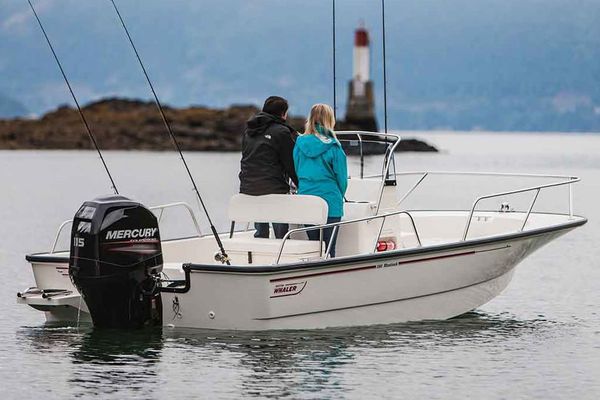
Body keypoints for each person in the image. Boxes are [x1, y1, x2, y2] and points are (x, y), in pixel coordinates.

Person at [239, 96, 299, 238]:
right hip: (273, 188)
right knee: (281, 233)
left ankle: (260, 246)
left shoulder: (249, 130)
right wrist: (301, 184)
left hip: (248, 187)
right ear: (283, 114)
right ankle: (283, 251)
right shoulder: (282, 132)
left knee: (261, 230)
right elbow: (290, 163)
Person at [293, 103, 347, 257]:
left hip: (306, 198)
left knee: (314, 247)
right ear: (330, 120)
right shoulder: (334, 147)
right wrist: (339, 195)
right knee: (329, 249)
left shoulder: (299, 143)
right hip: (330, 199)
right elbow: (342, 179)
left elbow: (297, 170)